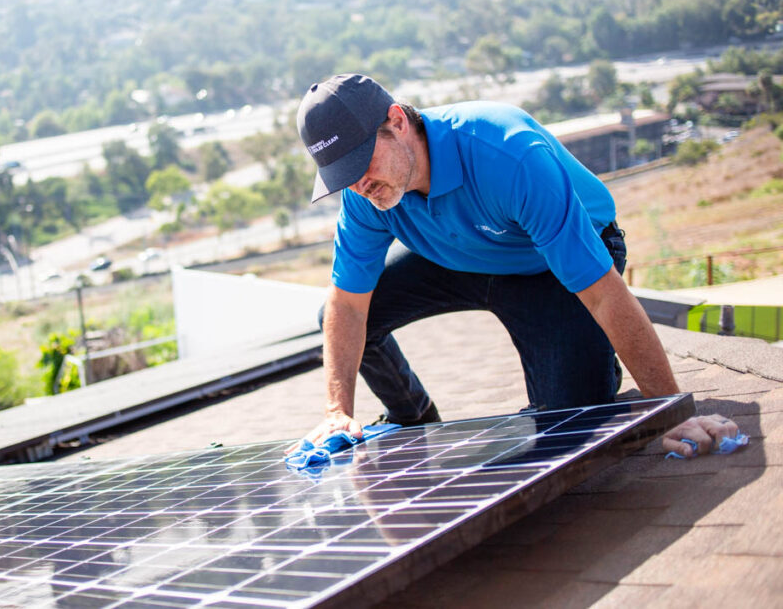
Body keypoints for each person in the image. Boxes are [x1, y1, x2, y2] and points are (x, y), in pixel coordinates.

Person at [290, 73, 736, 458]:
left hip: (549, 261)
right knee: (333, 318)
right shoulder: (365, 192)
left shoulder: (505, 152)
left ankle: (588, 359)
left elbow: (602, 291)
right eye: (344, 174)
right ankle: (414, 416)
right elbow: (347, 305)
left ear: (398, 122)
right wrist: (337, 412)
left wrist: (671, 409)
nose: (359, 184)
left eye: (361, 162)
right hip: (461, 255)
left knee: (573, 423)